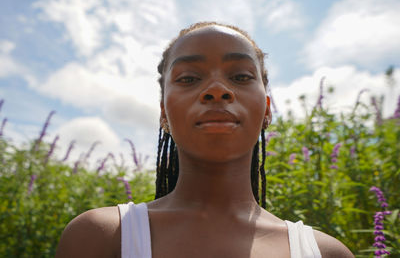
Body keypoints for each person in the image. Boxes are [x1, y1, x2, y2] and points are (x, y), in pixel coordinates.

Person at [55, 22, 355, 258]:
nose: (216, 89)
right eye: (188, 78)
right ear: (164, 114)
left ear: (266, 110)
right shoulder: (103, 237)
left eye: (240, 76)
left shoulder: (326, 253)